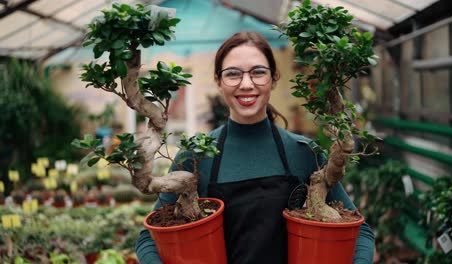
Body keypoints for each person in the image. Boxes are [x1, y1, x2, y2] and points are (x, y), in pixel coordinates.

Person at [135, 31, 375, 264]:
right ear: (219, 82)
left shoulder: (303, 153)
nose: (246, 84)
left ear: (273, 79)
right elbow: (149, 238)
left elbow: (360, 232)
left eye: (258, 72)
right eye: (233, 74)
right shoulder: (196, 156)